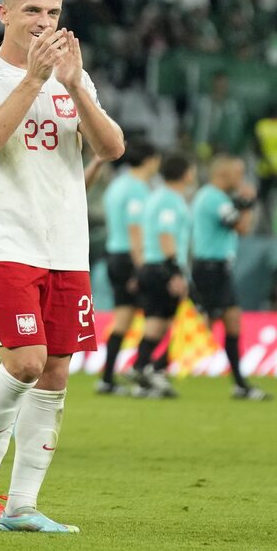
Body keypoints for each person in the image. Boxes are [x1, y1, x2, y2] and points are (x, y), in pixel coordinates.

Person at [0, 0, 125, 533]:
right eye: (32, 12)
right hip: (3, 241)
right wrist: (33, 79)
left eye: (52, 14)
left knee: (53, 374)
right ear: (4, 14)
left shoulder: (75, 77)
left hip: (67, 247)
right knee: (23, 362)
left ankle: (22, 505)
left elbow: (111, 148)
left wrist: (72, 85)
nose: (44, 23)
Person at [190, 155, 271, 400]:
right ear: (223, 173)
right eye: (238, 173)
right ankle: (154, 365)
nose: (241, 178)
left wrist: (245, 204)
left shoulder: (215, 197)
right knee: (207, 323)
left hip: (217, 269)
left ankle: (240, 384)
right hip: (210, 269)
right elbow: (242, 227)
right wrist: (247, 202)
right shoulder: (214, 198)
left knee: (227, 320)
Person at [98, 140, 160, 395]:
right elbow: (135, 229)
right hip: (130, 258)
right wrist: (141, 267)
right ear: (150, 161)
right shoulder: (137, 189)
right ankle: (142, 372)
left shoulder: (117, 185)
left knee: (123, 318)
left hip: (114, 253)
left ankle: (108, 379)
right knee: (155, 316)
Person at [133, 153, 195, 398]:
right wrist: (175, 271)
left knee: (162, 322)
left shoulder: (157, 196)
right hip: (163, 268)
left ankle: (147, 373)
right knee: (157, 323)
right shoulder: (170, 200)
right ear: (185, 173)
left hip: (153, 265)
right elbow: (166, 233)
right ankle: (141, 370)